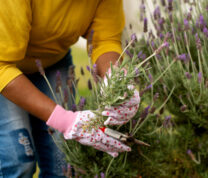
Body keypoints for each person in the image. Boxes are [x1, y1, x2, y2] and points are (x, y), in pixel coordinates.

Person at [0, 0, 140, 178]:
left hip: (50, 60)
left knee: (63, 163)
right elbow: (1, 66)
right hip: (3, 65)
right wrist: (65, 120)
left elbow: (104, 40)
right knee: (18, 162)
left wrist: (116, 80)